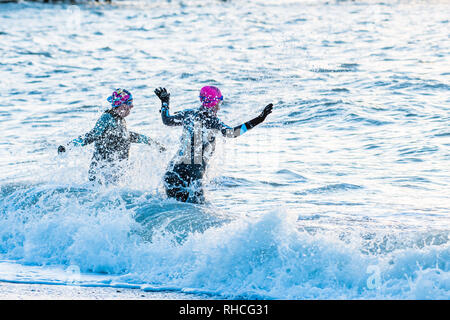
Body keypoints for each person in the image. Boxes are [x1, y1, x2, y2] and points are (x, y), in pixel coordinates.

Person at [154, 86, 273, 203]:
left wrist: (165, 102)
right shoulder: (212, 121)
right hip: (193, 178)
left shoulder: (188, 114)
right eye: (218, 104)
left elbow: (167, 120)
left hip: (173, 173)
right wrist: (259, 119)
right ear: (214, 104)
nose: (219, 108)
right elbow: (232, 133)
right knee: (196, 215)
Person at [58, 88, 165, 184]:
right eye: (130, 104)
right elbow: (92, 135)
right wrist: (69, 146)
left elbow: (129, 136)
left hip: (113, 171)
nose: (132, 107)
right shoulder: (106, 117)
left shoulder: (120, 120)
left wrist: (154, 144)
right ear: (123, 105)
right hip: (101, 172)